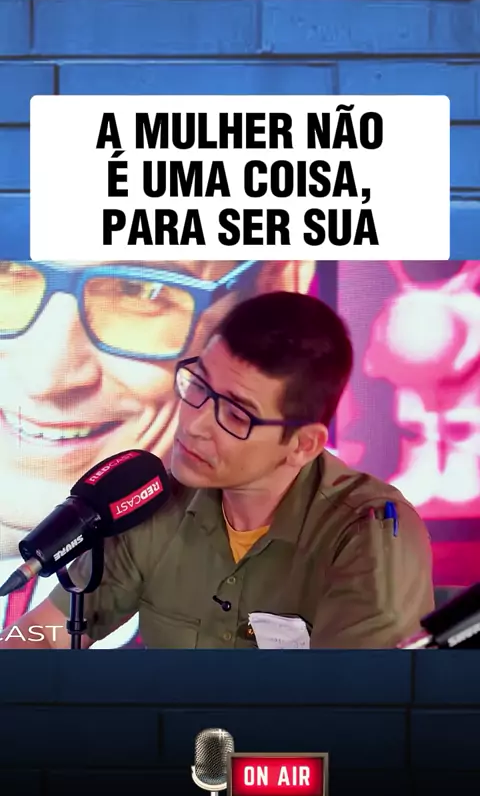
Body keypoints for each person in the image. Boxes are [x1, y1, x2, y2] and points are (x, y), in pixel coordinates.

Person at [0, 290, 434, 650]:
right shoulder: (154, 502)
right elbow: (43, 634)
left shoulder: (368, 533)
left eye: (236, 413)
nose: (195, 423)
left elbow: (360, 708)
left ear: (303, 444)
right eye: (199, 385)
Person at [0, 259, 315, 647]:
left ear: (274, 287)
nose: (45, 380)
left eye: (138, 290)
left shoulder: (344, 532)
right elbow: (45, 637)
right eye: (7, 271)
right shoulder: (128, 536)